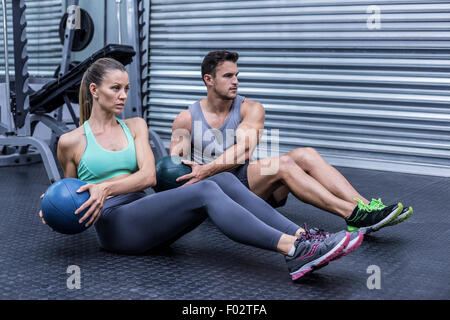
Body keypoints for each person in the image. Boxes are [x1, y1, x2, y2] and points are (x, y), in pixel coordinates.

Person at [38, 57, 363, 281]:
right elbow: (71, 193)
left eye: (126, 88)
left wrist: (106, 187)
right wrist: (55, 209)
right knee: (207, 188)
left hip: (147, 213)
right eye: (115, 89)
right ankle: (293, 250)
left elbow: (148, 177)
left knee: (220, 178)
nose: (123, 95)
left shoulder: (135, 125)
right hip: (116, 228)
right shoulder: (70, 141)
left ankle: (303, 238)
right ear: (94, 91)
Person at [170, 50, 413, 235]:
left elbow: (243, 152)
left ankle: (365, 207)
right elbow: (172, 170)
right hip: (214, 195)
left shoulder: (250, 108)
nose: (235, 81)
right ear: (208, 80)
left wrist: (207, 167)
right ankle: (351, 214)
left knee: (305, 154)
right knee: (282, 164)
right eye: (227, 76)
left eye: (237, 75)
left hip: (246, 183)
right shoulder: (186, 118)